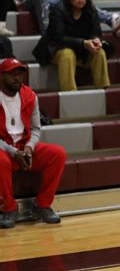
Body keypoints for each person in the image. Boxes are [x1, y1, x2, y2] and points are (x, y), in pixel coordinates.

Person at [0, 57, 66, 229]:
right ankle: (9, 209)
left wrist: (29, 148)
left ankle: (42, 205)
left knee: (57, 154)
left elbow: (36, 129)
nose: (17, 78)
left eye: (20, 74)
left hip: (24, 147)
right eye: (12, 74)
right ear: (1, 76)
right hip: (5, 150)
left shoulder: (30, 96)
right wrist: (14, 152)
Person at [33, 0, 111, 92]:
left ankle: (104, 90)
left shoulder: (90, 10)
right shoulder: (58, 10)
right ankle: (70, 94)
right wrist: (83, 43)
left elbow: (96, 32)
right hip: (56, 49)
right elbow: (59, 38)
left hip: (81, 50)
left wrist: (96, 40)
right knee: (67, 54)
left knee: (99, 52)